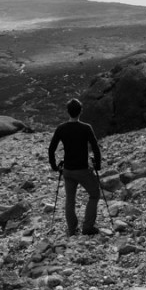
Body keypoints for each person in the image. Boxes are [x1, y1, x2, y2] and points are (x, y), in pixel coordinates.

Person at [48, 98, 102, 236]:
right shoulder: (86, 128)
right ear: (81, 111)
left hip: (68, 171)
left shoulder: (61, 128)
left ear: (68, 112)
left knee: (70, 199)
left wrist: (54, 166)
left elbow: (51, 149)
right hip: (83, 169)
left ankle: (72, 229)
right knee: (94, 194)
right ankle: (88, 227)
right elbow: (95, 147)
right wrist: (98, 164)